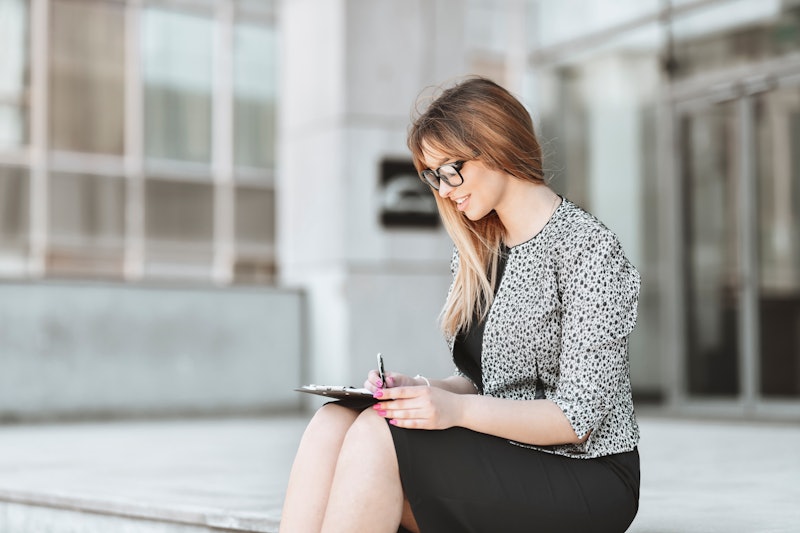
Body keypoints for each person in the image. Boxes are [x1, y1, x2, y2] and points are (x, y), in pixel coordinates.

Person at [279, 77, 641, 533]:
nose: (443, 190)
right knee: (335, 420)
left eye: (448, 171)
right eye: (431, 177)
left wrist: (454, 412)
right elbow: (491, 384)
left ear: (493, 145)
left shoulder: (589, 250)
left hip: (587, 473)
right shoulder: (477, 250)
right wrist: (422, 389)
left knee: (377, 435)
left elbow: (577, 419)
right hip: (506, 450)